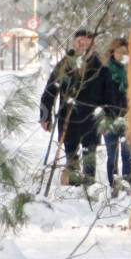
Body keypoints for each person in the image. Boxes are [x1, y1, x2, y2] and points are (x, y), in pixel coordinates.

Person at [40, 29, 118, 186]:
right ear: (73, 44)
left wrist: (108, 119)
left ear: (93, 46)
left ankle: (89, 188)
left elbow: (110, 99)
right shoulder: (63, 66)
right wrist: (45, 116)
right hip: (68, 121)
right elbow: (49, 93)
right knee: (71, 157)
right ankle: (73, 189)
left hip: (92, 122)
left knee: (90, 156)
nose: (82, 45)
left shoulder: (101, 70)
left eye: (86, 42)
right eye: (78, 42)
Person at [101, 36, 131, 192]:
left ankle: (127, 184)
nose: (122, 55)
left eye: (125, 52)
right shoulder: (105, 71)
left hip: (128, 118)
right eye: (119, 52)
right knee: (112, 155)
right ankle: (113, 185)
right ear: (112, 52)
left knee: (127, 154)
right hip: (109, 119)